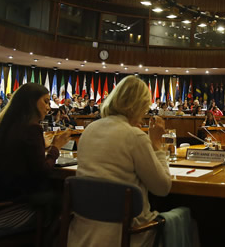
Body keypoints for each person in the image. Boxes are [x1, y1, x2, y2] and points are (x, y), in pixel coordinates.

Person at [69, 76, 174, 247]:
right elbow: (162, 188)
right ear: (139, 106)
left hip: (83, 234)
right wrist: (156, 144)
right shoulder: (134, 136)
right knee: (186, 219)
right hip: (128, 234)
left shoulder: (89, 130)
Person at [0, 83, 71, 227]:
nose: (48, 107)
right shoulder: (31, 128)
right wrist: (55, 147)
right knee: (67, 201)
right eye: (45, 101)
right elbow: (41, 172)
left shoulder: (4, 126)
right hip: (13, 210)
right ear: (31, 102)